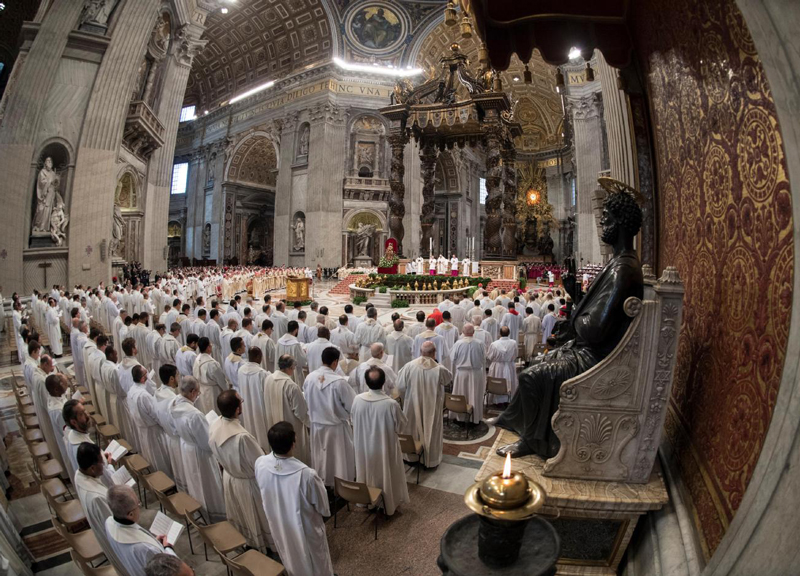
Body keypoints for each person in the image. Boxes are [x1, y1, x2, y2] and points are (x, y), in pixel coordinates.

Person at [491, 187, 644, 458]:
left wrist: (575, 309)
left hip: (594, 356)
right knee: (535, 363)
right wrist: (575, 295)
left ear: (620, 222)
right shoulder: (620, 263)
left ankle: (533, 440)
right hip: (590, 348)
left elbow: (593, 329)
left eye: (606, 218)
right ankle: (515, 423)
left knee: (529, 375)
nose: (602, 223)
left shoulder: (623, 270)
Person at [255, 422, 333, 576]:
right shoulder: (307, 475)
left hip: (279, 525)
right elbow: (323, 508)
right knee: (316, 563)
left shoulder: (260, 463)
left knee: (290, 557)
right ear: (293, 444)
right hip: (305, 529)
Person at [208, 390, 272, 552]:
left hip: (230, 477)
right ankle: (265, 544)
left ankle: (247, 539)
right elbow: (259, 462)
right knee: (257, 517)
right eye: (240, 402)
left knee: (242, 515)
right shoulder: (242, 437)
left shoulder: (215, 425)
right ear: (237, 410)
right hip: (248, 483)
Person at [351, 366, 409, 516]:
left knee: (367, 471)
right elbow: (402, 426)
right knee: (386, 472)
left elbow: (352, 420)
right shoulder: (390, 404)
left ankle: (367, 499)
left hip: (364, 447)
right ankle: (388, 503)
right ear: (383, 382)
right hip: (385, 447)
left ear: (366, 382)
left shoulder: (357, 399)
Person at [169, 376, 226, 522]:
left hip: (186, 447)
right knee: (206, 484)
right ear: (193, 391)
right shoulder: (194, 415)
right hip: (199, 454)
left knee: (194, 483)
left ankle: (200, 512)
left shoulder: (174, 403)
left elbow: (176, 428)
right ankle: (213, 517)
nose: (198, 395)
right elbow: (206, 442)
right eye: (198, 392)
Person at [303, 347, 356, 487]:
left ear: (322, 360)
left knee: (320, 456)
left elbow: (306, 399)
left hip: (316, 425)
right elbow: (352, 405)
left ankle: (321, 481)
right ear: (335, 362)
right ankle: (340, 484)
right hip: (335, 427)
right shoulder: (339, 382)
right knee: (338, 459)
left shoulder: (309, 377)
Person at [74, 442, 126, 574]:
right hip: (116, 543)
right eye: (101, 462)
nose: (103, 465)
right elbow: (116, 527)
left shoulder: (78, 474)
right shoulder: (97, 497)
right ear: (92, 468)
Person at [397, 342, 452, 467]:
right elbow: (448, 379)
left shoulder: (409, 366)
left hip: (412, 404)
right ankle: (430, 459)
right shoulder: (439, 369)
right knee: (431, 427)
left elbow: (400, 385)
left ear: (421, 352)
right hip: (431, 405)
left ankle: (411, 456)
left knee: (412, 427)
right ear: (434, 353)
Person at [105, 485, 178, 576]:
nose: (140, 507)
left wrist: (155, 542)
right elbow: (171, 569)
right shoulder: (146, 548)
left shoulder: (109, 523)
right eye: (138, 504)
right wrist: (167, 548)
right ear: (130, 515)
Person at [263, 355, 311, 462]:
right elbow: (301, 412)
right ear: (290, 368)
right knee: (295, 454)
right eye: (293, 368)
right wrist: (311, 424)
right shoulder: (291, 386)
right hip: (290, 426)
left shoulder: (268, 378)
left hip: (273, 422)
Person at [128, 365, 173, 477]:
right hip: (153, 431)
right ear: (143, 379)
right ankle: (164, 479)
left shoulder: (131, 390)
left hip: (143, 429)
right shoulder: (144, 396)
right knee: (160, 457)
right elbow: (155, 414)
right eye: (146, 375)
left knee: (151, 456)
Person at [449, 324, 486, 424]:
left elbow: (452, 358)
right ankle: (475, 418)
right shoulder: (480, 343)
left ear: (463, 332)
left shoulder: (458, 343)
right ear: (473, 332)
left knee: (461, 393)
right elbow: (483, 358)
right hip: (476, 373)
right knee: (475, 394)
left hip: (462, 373)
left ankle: (460, 417)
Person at [236, 347, 270, 448]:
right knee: (261, 429)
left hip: (246, 406)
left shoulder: (241, 370)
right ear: (258, 357)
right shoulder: (261, 373)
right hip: (259, 407)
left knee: (249, 425)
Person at [192, 337, 227, 415]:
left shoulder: (197, 359)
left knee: (206, 412)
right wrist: (226, 390)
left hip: (201, 390)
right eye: (210, 345)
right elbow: (221, 381)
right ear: (208, 348)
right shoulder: (212, 364)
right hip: (213, 392)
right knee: (215, 413)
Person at [486, 326, 518, 404]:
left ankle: (496, 400)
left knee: (497, 382)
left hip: (497, 366)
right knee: (509, 382)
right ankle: (509, 399)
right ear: (509, 333)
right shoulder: (513, 343)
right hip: (509, 365)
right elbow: (516, 355)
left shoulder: (494, 344)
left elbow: (489, 356)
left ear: (499, 333)